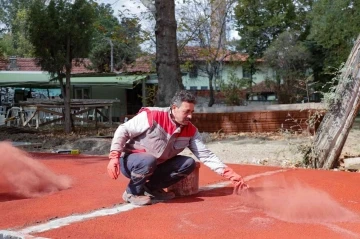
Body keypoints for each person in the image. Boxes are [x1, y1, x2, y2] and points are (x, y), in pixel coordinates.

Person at [107, 90, 248, 206]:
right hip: (132, 162)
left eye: (192, 111)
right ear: (174, 108)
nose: (190, 116)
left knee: (188, 163)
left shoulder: (191, 131)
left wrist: (230, 175)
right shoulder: (152, 115)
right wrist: (114, 157)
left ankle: (152, 188)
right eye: (186, 111)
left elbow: (206, 155)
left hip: (155, 165)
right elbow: (123, 130)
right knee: (147, 160)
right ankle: (132, 192)